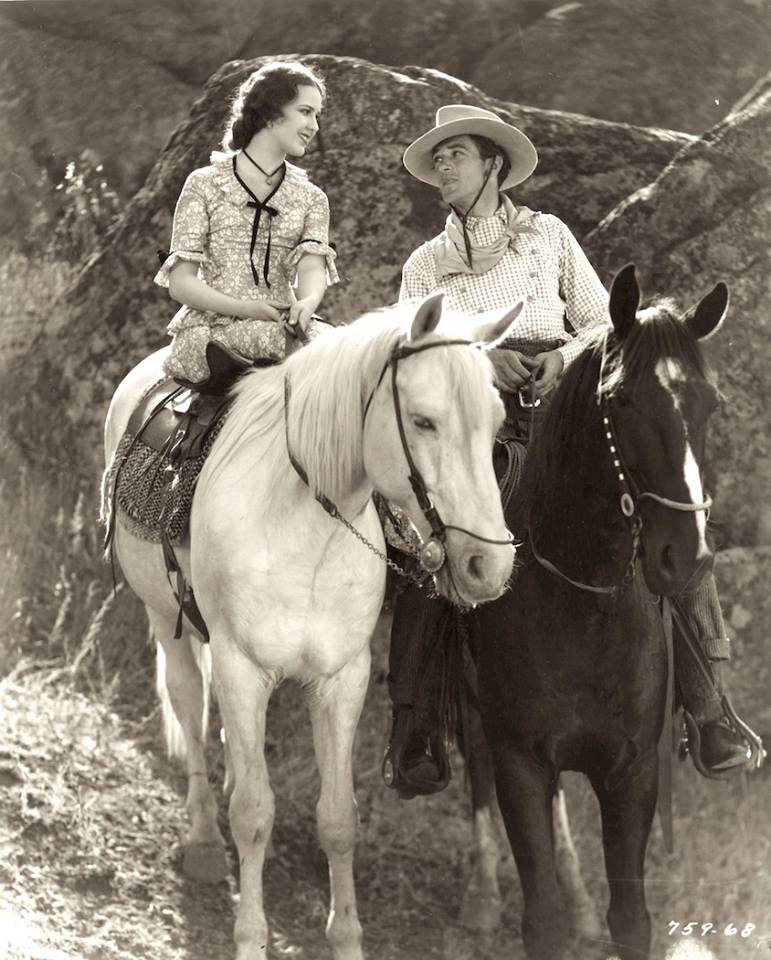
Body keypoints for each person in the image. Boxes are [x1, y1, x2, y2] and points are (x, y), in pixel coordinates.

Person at [383, 105, 751, 797]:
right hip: (474, 429)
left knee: (669, 513)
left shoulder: (546, 237)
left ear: (493, 163)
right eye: (436, 160)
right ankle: (416, 725)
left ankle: (708, 711)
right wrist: (480, 359)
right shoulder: (423, 263)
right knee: (424, 549)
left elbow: (597, 327)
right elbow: (411, 352)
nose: (443, 168)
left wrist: (556, 358)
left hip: (562, 425)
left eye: (454, 154)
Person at [154, 61, 338, 384]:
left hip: (283, 326)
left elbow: (312, 268)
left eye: (317, 115)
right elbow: (180, 282)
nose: (315, 126)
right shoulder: (205, 184)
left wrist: (307, 303)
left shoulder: (312, 198)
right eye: (306, 112)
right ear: (270, 113)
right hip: (215, 330)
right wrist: (245, 308)